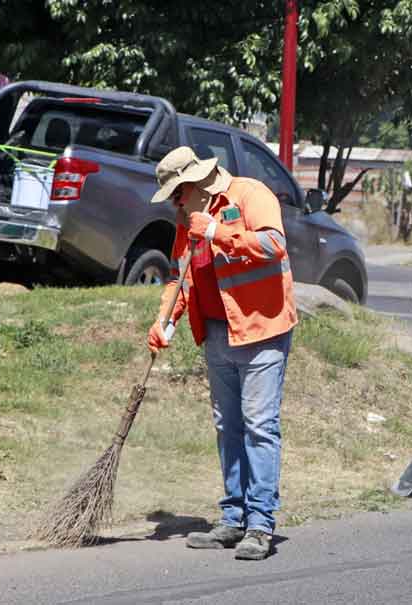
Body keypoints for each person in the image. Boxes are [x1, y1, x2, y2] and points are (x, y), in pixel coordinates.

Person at [146, 145, 297, 560]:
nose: (174, 205)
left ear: (193, 185)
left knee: (259, 427)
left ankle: (260, 526)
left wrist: (216, 232)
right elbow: (181, 279)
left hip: (262, 332)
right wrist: (166, 322)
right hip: (216, 334)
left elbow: (273, 245)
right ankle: (233, 519)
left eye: (176, 195)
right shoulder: (186, 222)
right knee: (227, 427)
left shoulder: (251, 195)